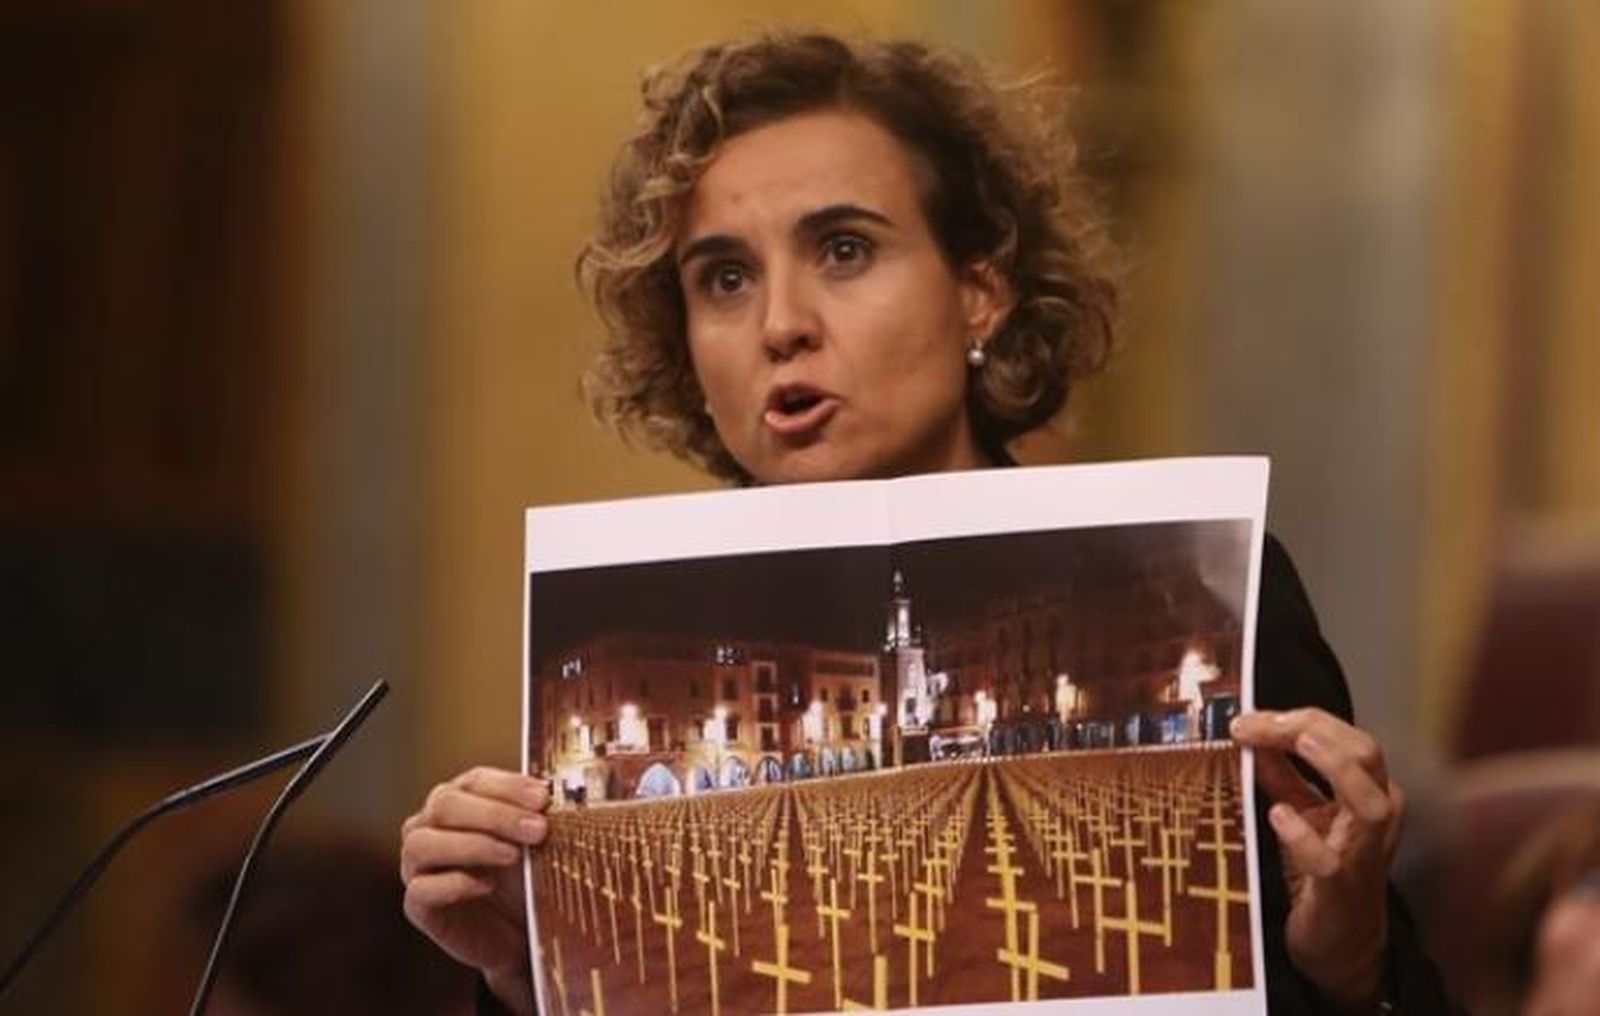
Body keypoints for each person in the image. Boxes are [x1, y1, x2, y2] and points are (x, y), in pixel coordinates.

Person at [399, 31, 1454, 1014]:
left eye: (845, 250)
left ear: (978, 293)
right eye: (723, 278)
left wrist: (1344, 952)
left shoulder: (1208, 590)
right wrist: (529, 971)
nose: (780, 325)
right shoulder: (609, 646)